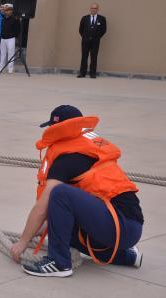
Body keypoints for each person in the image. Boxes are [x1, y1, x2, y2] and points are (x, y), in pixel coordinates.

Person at [9, 105, 144, 277]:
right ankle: (127, 256)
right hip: (129, 227)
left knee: (59, 193)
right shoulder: (86, 149)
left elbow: (42, 207)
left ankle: (59, 264)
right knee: (62, 228)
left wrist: (22, 242)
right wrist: (38, 229)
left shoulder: (66, 158)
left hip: (119, 226)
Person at [78, 3, 107, 78]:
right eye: (92, 8)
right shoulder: (84, 18)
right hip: (85, 41)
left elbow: (103, 30)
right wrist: (85, 37)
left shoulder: (102, 19)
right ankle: (82, 73)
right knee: (84, 57)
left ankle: (92, 73)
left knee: (94, 57)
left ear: (98, 9)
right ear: (90, 9)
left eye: (95, 8)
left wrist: (97, 37)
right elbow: (81, 30)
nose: (93, 10)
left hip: (95, 41)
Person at [0, 3, 19, 74]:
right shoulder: (3, 18)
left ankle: (10, 69)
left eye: (8, 10)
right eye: (5, 10)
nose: (6, 11)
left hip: (11, 38)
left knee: (11, 54)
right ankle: (1, 68)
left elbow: (17, 29)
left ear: (11, 10)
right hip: (3, 38)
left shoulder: (15, 19)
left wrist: (16, 37)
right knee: (2, 54)